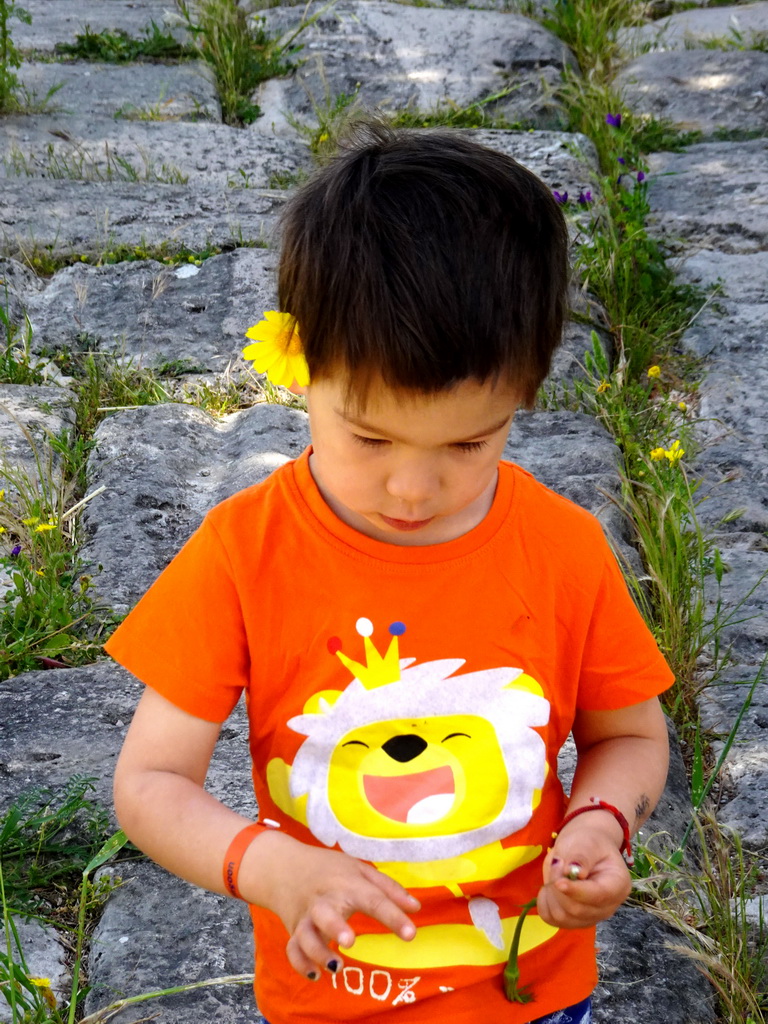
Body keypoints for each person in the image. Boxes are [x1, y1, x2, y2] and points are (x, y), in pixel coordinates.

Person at [108, 122, 672, 1024]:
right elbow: (149, 784)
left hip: (534, 993)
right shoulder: (242, 553)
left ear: (526, 390)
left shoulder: (562, 549)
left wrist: (603, 826)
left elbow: (631, 739)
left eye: (468, 442)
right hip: (330, 1000)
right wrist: (275, 867)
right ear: (299, 367)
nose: (413, 488)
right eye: (368, 437)